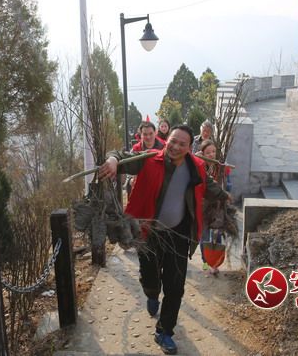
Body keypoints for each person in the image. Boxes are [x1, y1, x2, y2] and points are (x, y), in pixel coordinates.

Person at [98, 125, 230, 355]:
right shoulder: (149, 159)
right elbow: (119, 156)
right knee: (150, 277)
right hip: (148, 233)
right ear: (166, 139)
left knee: (175, 286)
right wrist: (112, 161)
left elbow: (211, 189)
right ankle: (151, 293)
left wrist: (228, 199)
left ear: (190, 148)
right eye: (173, 141)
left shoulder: (196, 167)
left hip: (179, 235)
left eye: (182, 144)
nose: (175, 146)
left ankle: (165, 331)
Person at [196, 139, 232, 275]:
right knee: (204, 236)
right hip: (203, 207)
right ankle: (206, 263)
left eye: (213, 152)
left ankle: (215, 263)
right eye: (208, 152)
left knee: (217, 235)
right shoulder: (200, 166)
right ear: (202, 153)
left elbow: (227, 183)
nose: (211, 155)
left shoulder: (218, 166)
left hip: (217, 206)